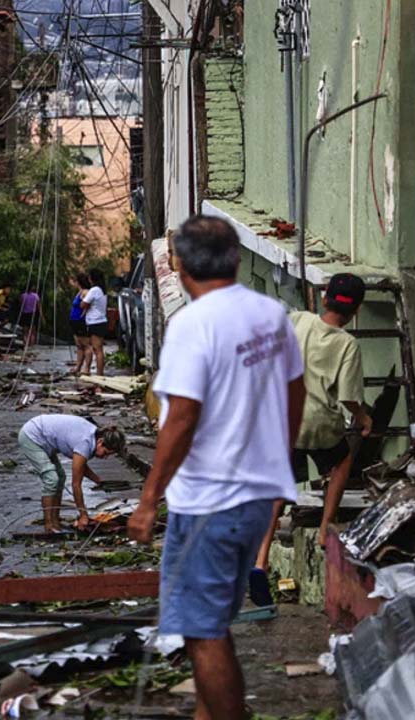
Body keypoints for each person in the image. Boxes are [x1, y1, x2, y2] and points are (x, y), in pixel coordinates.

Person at [127, 216, 305, 720]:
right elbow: (295, 396)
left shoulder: (192, 324)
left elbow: (180, 420)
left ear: (179, 266)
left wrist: (147, 501)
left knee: (203, 634)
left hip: (209, 502)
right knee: (215, 626)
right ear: (236, 258)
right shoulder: (271, 315)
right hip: (253, 500)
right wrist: (275, 461)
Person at [290, 274, 372, 547]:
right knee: (342, 461)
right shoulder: (348, 344)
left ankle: (261, 555)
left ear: (324, 299)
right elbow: (349, 398)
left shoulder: (298, 319)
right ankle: (326, 527)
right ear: (358, 309)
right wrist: (363, 418)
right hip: (319, 424)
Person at [19, 414, 126, 533]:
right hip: (32, 436)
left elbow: (81, 466)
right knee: (51, 479)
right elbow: (76, 484)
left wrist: (97, 480)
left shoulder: (93, 438)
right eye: (105, 453)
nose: (104, 457)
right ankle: (49, 526)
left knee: (60, 477)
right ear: (100, 442)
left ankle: (55, 522)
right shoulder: (85, 442)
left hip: (45, 438)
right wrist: (83, 515)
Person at [81, 268, 108, 375]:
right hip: (101, 320)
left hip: (95, 321)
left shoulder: (94, 290)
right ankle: (99, 373)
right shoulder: (102, 290)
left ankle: (99, 374)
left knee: (97, 350)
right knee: (98, 349)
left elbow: (83, 304)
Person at [70, 272, 94, 375]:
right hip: (74, 321)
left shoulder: (85, 292)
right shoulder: (79, 292)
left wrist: (82, 315)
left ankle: (86, 368)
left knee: (86, 345)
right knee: (79, 345)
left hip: (80, 321)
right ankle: (78, 367)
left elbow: (87, 304)